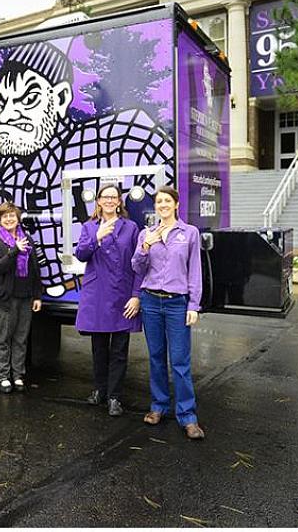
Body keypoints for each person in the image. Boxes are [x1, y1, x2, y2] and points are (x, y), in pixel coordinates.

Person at [0, 41, 174, 298]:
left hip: (100, 287)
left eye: (27, 98)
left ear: (61, 98)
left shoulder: (125, 140)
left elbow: (166, 209)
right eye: (2, 101)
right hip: (15, 292)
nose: (7, 113)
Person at [131, 185, 205, 440]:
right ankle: (158, 406)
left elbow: (195, 270)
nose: (162, 205)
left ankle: (188, 416)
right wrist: (145, 247)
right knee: (156, 357)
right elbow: (137, 267)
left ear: (176, 204)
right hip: (151, 301)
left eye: (167, 201)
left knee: (181, 361)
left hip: (176, 304)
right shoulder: (146, 233)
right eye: (159, 201)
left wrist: (193, 305)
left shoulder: (189, 233)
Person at [73, 184, 142, 417]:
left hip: (122, 295)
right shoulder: (89, 227)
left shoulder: (131, 227)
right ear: (99, 201)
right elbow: (81, 254)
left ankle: (114, 397)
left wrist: (136, 295)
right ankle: (100, 390)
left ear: (120, 201)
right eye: (106, 197)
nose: (110, 201)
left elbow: (138, 264)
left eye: (114, 197)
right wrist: (97, 237)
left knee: (119, 350)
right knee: (99, 349)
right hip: (98, 295)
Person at [0, 202, 43, 394]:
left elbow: (35, 269)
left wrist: (37, 295)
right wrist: (15, 251)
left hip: (25, 296)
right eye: (5, 217)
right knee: (4, 337)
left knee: (21, 338)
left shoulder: (26, 238)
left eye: (12, 216)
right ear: (0, 220)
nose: (9, 219)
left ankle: (18, 375)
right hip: (4, 297)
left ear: (18, 218)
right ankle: (3, 376)